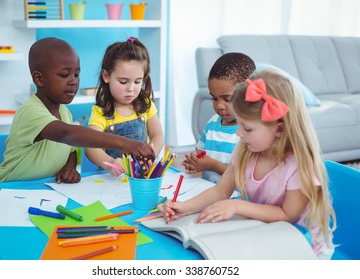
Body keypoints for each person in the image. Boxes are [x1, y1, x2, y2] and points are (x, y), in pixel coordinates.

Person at [159, 69, 336, 259]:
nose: (238, 133)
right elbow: (220, 191)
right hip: (264, 234)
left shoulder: (299, 164)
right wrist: (186, 206)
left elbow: (287, 215)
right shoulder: (246, 150)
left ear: (279, 128)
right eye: (239, 124)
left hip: (302, 246)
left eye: (247, 128)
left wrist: (237, 207)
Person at [0, 37, 155, 184]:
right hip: (5, 189)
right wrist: (126, 144)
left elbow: (70, 149)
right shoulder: (31, 111)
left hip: (43, 189)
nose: (73, 82)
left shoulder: (64, 113)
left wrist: (69, 168)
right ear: (39, 79)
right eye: (64, 75)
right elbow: (67, 135)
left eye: (76, 75)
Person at [85, 37, 164, 177]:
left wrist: (151, 154)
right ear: (106, 76)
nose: (131, 88)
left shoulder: (146, 105)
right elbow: (90, 147)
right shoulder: (101, 112)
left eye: (138, 81)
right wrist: (110, 163)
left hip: (139, 177)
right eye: (123, 82)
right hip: (111, 178)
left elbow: (158, 135)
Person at [182, 53, 255, 183]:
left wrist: (213, 165)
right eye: (214, 98)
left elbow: (245, 177)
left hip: (236, 199)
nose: (220, 106)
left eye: (227, 99)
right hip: (208, 193)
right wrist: (195, 163)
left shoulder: (250, 131)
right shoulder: (212, 123)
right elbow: (202, 153)